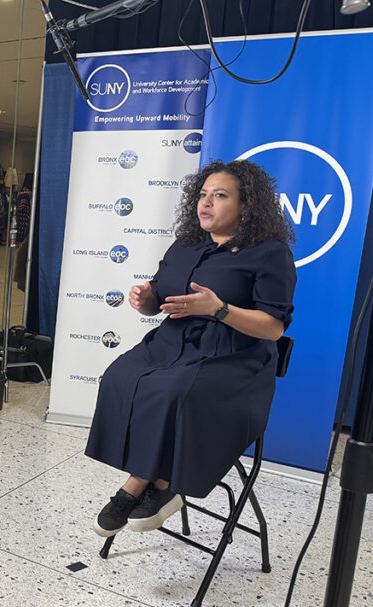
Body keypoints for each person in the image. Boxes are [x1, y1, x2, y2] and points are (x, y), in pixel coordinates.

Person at [87, 159, 296, 538]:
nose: (206, 203)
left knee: (174, 392)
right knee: (120, 375)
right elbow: (160, 301)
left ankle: (153, 485)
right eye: (203, 195)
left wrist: (219, 309)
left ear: (246, 205)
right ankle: (153, 481)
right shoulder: (186, 244)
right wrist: (146, 298)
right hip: (172, 344)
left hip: (236, 357)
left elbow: (274, 327)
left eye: (220, 196)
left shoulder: (270, 252)